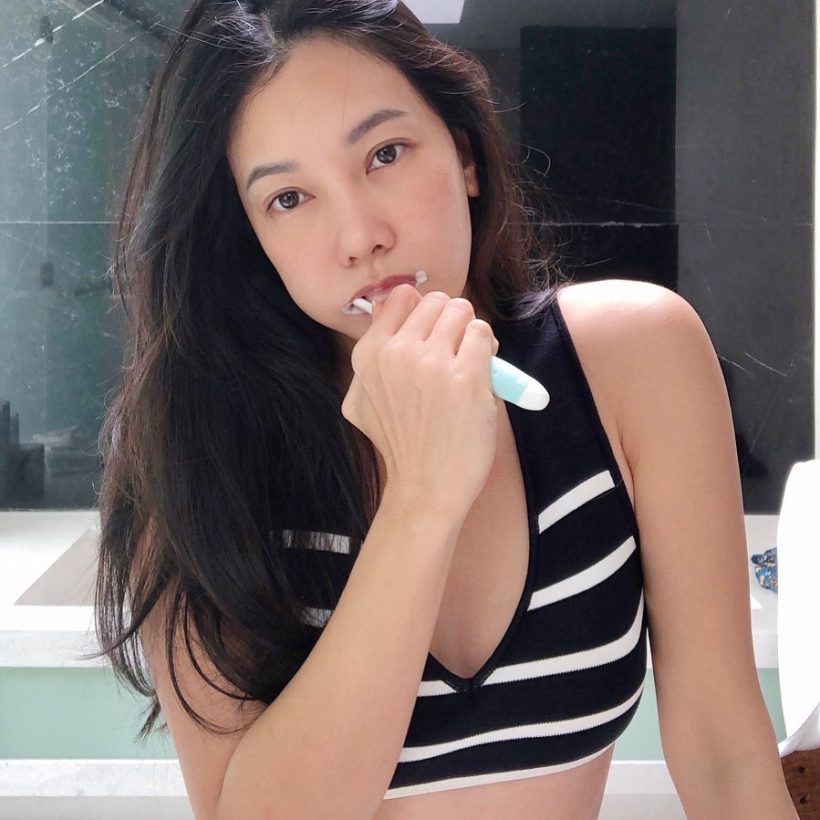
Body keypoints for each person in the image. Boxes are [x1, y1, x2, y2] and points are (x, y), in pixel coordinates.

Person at [85, 1, 798, 817]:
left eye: (385, 154)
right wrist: (422, 500)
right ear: (249, 237)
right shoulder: (190, 452)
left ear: (464, 154)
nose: (360, 235)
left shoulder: (633, 359)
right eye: (288, 198)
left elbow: (725, 757)